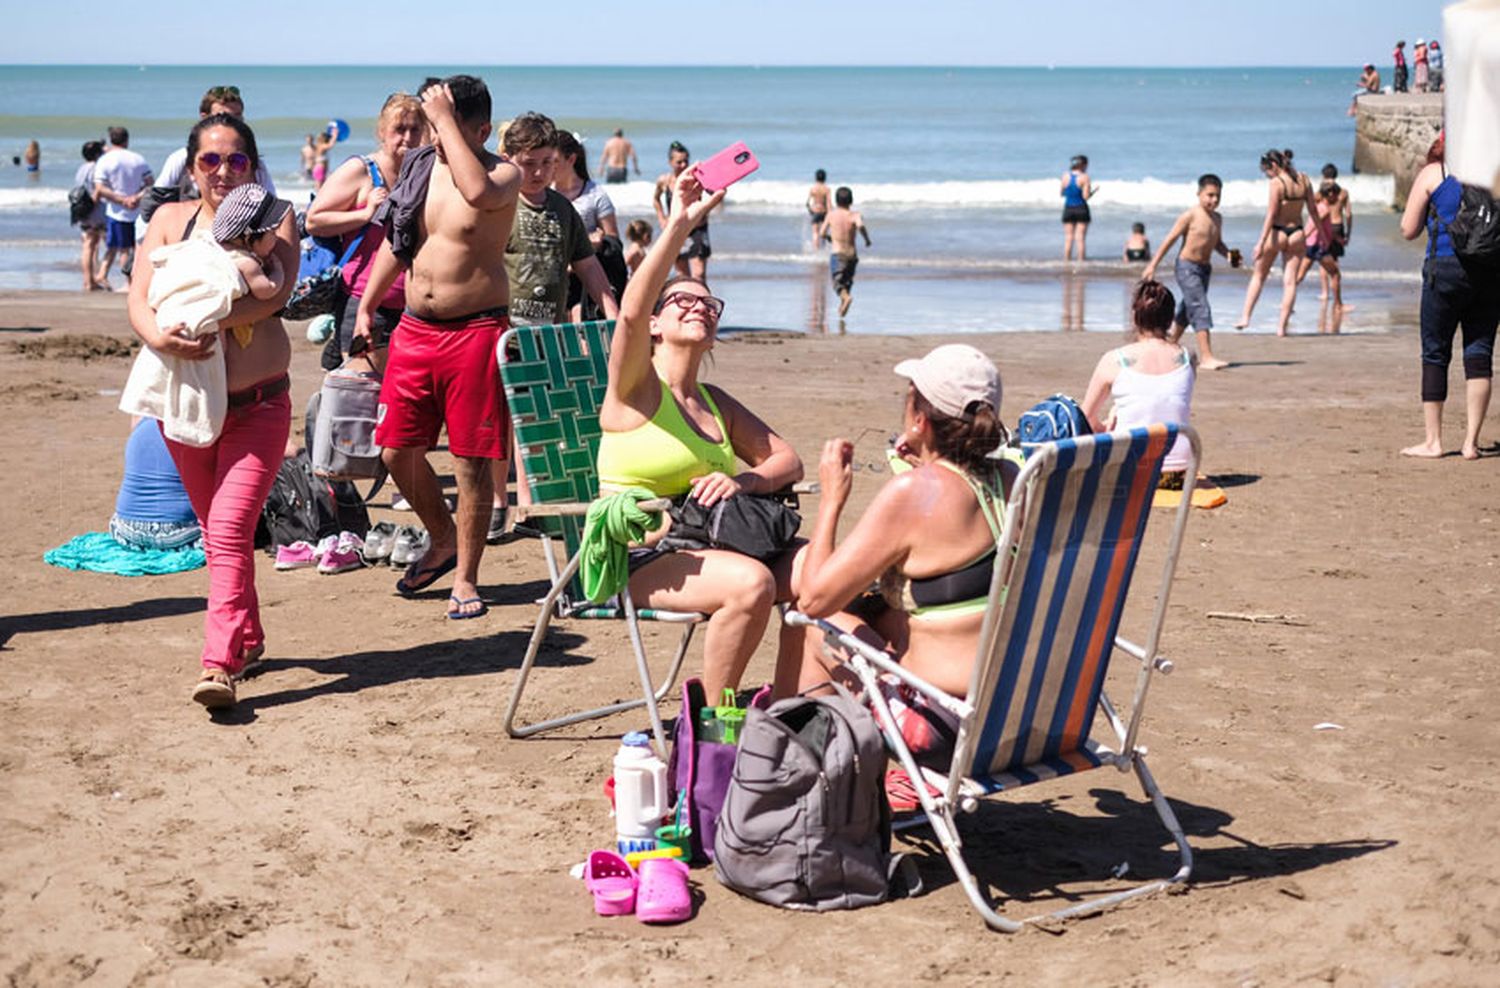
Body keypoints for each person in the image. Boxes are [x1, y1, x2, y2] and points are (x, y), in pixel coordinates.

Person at [597, 167, 804, 697]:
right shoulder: (636, 391)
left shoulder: (716, 404)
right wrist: (681, 224)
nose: (699, 307)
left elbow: (787, 461)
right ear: (657, 325)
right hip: (645, 554)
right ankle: (717, 722)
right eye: (682, 302)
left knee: (829, 568)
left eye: (708, 303)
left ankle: (786, 705)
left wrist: (746, 482)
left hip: (721, 541)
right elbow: (629, 315)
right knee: (753, 584)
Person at [125, 114, 299, 709]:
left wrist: (201, 321)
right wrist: (160, 338)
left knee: (226, 530)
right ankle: (246, 637)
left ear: (253, 164)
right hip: (188, 403)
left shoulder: (275, 218)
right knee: (217, 534)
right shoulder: (170, 220)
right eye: (210, 161)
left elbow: (271, 296)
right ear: (192, 164)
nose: (223, 172)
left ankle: (218, 664)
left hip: (259, 406)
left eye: (237, 161)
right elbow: (139, 297)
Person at [771, 344, 1012, 771]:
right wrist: (926, 461)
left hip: (940, 724)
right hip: (1016, 710)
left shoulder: (914, 495)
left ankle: (798, 776)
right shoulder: (1013, 478)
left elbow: (814, 599)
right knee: (883, 617)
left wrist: (831, 499)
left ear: (920, 419)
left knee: (807, 626)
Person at [355, 76, 520, 619]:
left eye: (444, 124)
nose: (434, 136)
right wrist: (366, 304)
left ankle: (467, 580)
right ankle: (442, 537)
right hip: (416, 331)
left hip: (476, 332)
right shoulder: (424, 168)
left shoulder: (502, 173)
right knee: (395, 451)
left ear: (481, 129)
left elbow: (477, 193)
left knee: (472, 463)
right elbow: (403, 243)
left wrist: (447, 123)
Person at [492, 113, 620, 546]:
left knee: (537, 418)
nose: (540, 172)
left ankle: (533, 505)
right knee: (501, 419)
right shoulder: (500, 205)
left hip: (548, 328)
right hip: (503, 327)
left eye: (548, 162)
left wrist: (614, 314)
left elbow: (589, 269)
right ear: (508, 159)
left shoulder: (564, 210)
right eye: (529, 163)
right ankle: (501, 503)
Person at [305, 92, 428, 366]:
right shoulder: (361, 170)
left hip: (410, 305)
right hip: (361, 298)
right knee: (362, 390)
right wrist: (365, 214)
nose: (407, 137)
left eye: (414, 129)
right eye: (399, 129)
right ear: (382, 133)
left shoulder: (421, 173)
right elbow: (314, 220)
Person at [1398, 133, 1500, 460]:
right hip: (1490, 272)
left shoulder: (1434, 174)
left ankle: (1434, 441)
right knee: (1479, 353)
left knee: (1435, 353)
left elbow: (1407, 228)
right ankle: (1471, 442)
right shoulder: (1495, 177)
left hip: (1444, 271)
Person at [1080, 280, 1196, 482]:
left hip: (1131, 473)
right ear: (1170, 320)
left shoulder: (1115, 360)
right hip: (1179, 473)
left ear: (1135, 317)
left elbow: (1085, 418)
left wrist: (1107, 427)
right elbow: (1164, 403)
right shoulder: (1188, 358)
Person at [1143, 174, 1238, 371]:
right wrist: (1153, 265)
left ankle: (1168, 346)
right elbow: (1170, 240)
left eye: (1217, 196)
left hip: (1204, 269)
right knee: (1200, 306)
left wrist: (1228, 254)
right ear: (1199, 194)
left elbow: (1217, 243)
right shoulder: (1191, 215)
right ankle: (1206, 357)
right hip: (1187, 266)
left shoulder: (1217, 218)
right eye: (1209, 195)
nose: (1213, 200)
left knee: (1186, 310)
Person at [1235, 149, 1331, 335]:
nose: (1266, 175)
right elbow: (1313, 210)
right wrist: (1323, 235)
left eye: (1266, 171)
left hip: (1277, 233)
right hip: (1297, 234)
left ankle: (1245, 317)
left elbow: (1271, 214)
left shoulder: (1276, 183)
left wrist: (1260, 242)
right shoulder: (1304, 179)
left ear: (1275, 166)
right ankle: (1281, 328)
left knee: (1259, 276)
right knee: (1290, 283)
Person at [148, 86, 277, 219]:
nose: (230, 124)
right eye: (223, 116)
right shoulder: (181, 158)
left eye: (237, 118)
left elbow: (272, 209)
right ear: (204, 117)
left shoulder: (254, 163)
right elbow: (152, 208)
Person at [552, 129, 625, 321]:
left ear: (571, 159)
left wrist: (598, 245)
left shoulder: (596, 195)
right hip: (551, 276)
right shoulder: (542, 192)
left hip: (583, 280)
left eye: (554, 161)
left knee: (578, 326)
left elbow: (614, 242)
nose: (548, 167)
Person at [93, 126, 154, 288]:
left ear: (111, 140)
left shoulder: (105, 160)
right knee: (131, 248)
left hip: (116, 211)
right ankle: (129, 283)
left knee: (120, 248)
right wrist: (135, 197)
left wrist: (121, 200)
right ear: (127, 140)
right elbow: (150, 184)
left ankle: (119, 280)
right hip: (135, 210)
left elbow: (100, 187)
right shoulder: (138, 159)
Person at [653, 142, 712, 279]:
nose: (684, 165)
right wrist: (662, 218)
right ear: (670, 162)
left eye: (686, 161)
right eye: (679, 162)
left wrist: (705, 213)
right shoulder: (664, 181)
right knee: (682, 276)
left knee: (699, 274)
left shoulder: (697, 179)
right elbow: (656, 200)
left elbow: (713, 196)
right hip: (677, 228)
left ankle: (702, 299)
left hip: (698, 228)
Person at [823, 186, 871, 319]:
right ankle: (844, 302)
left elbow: (822, 232)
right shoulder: (855, 215)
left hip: (838, 255)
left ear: (836, 201)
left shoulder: (831, 215)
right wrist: (867, 240)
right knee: (848, 282)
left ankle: (846, 298)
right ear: (851, 201)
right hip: (852, 255)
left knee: (837, 283)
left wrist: (828, 238)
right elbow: (860, 225)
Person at [73, 140, 108, 291]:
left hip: (82, 209)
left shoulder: (81, 168)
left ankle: (89, 280)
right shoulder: (96, 168)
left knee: (88, 245)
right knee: (95, 244)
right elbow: (98, 190)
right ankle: (93, 279)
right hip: (95, 210)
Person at [1061, 154, 1096, 261]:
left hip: (1068, 208)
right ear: (1083, 165)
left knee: (1068, 238)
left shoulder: (1065, 176)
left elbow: (1062, 193)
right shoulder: (1085, 177)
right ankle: (1081, 261)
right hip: (1081, 208)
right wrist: (1092, 192)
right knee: (1080, 238)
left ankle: (1066, 261)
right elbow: (1085, 197)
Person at [807, 169, 831, 241]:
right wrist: (830, 213)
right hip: (824, 211)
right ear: (825, 178)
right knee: (823, 232)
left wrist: (810, 210)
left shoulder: (813, 189)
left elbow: (807, 203)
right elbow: (828, 202)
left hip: (815, 211)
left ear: (816, 178)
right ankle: (823, 249)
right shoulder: (826, 189)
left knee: (815, 233)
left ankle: (816, 250)